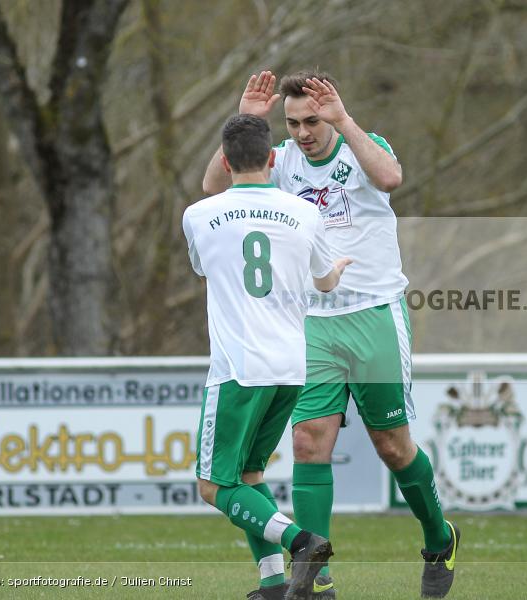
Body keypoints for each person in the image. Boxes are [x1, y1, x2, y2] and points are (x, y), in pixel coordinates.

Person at [203, 70, 459, 599]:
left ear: (331, 114)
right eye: (292, 123)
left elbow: (390, 179)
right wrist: (249, 119)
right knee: (307, 441)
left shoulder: (363, 148)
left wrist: (346, 121)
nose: (301, 133)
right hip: (313, 322)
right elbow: (215, 188)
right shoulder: (281, 162)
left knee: (392, 446)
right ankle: (316, 577)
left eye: (311, 121)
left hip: (374, 315)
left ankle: (439, 537)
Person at [185, 113, 352, 600]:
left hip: (238, 369)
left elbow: (205, 266)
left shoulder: (199, 214)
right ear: (273, 158)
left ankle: (302, 541)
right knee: (250, 477)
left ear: (224, 159)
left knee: (213, 486)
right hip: (290, 368)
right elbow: (324, 281)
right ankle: (273, 585)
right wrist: (336, 268)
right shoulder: (304, 213)